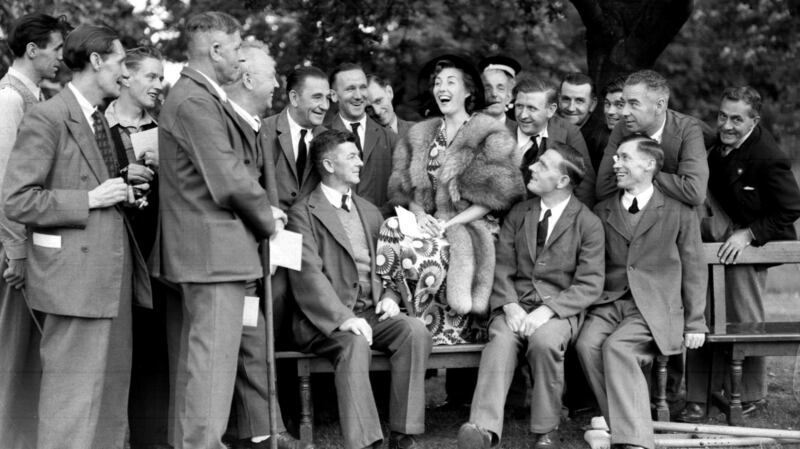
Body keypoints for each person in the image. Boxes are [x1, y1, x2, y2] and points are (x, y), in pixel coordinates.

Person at [3, 24, 152, 449]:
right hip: (73, 283)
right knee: (71, 405)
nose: (126, 74)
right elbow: (18, 200)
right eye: (122, 62)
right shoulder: (47, 117)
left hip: (108, 281)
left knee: (107, 401)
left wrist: (122, 189)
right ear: (97, 60)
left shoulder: (97, 119)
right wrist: (89, 199)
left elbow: (89, 183)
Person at [152, 12, 296, 449]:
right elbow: (228, 178)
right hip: (212, 258)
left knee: (204, 367)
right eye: (235, 48)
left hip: (210, 255)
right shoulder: (195, 101)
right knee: (211, 369)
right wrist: (269, 217)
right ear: (215, 50)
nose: (239, 57)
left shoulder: (196, 97)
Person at [288, 129, 433, 449]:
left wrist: (393, 298)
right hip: (323, 319)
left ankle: (403, 433)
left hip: (371, 311)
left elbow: (389, 266)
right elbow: (307, 276)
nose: (360, 161)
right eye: (351, 156)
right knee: (353, 341)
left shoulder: (369, 210)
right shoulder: (302, 214)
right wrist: (343, 318)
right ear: (328, 164)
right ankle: (366, 443)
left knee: (415, 331)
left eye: (359, 154)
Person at [457, 144, 605, 449]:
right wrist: (509, 305)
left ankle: (545, 429)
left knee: (545, 342)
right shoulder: (520, 212)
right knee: (500, 341)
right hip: (515, 304)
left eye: (544, 165)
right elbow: (502, 266)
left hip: (559, 313)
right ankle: (483, 430)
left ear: (563, 181)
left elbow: (589, 284)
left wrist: (548, 311)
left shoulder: (587, 223)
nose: (533, 167)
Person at [382, 54, 524, 345]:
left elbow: (493, 198)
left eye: (450, 82)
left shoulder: (489, 133)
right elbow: (406, 190)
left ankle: (435, 329)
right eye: (437, 83)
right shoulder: (421, 133)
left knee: (421, 251)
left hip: (471, 225)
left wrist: (448, 223)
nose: (442, 88)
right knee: (390, 228)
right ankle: (395, 308)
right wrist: (420, 215)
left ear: (469, 90)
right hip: (429, 223)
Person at [576, 136, 707, 449]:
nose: (615, 164)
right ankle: (627, 426)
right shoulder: (603, 209)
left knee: (618, 348)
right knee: (587, 344)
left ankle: (633, 440)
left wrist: (696, 321)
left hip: (656, 307)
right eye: (616, 158)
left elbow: (694, 268)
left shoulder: (679, 211)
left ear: (649, 164)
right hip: (611, 303)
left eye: (623, 158)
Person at [679, 87, 800, 423]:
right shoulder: (712, 145)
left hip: (750, 245)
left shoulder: (767, 156)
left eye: (736, 119)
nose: (726, 124)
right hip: (712, 241)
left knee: (745, 319)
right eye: (722, 116)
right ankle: (698, 396)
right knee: (701, 315)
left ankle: (751, 396)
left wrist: (748, 235)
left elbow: (791, 208)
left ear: (754, 120)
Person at [221, 40, 309, 449]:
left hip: (255, 257)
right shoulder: (225, 122)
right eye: (272, 74)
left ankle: (264, 430)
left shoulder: (253, 123)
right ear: (248, 77)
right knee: (240, 343)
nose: (277, 82)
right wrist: (268, 220)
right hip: (228, 260)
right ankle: (255, 430)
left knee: (254, 341)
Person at [0, 13, 70, 448]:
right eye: (57, 49)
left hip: (27, 242)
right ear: (33, 50)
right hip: (13, 246)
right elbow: (6, 183)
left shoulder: (33, 96)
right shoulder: (10, 100)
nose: (62, 58)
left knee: (26, 352)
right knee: (11, 351)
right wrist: (16, 250)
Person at [595, 70, 708, 206]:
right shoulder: (622, 127)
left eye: (634, 104)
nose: (624, 112)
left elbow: (694, 193)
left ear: (659, 106)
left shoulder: (687, 129)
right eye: (623, 103)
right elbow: (603, 189)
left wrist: (640, 171)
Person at [510, 75, 596, 206]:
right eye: (519, 106)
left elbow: (584, 185)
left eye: (532, 108)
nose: (523, 115)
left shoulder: (569, 133)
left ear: (550, 110)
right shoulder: (501, 132)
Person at [327, 63, 397, 212]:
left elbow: (400, 195)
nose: (359, 96)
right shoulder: (322, 138)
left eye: (363, 87)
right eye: (350, 89)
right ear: (334, 95)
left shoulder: (390, 139)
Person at [478, 54, 521, 126]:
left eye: (500, 88)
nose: (494, 94)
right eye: (488, 88)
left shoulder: (522, 132)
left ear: (509, 96)